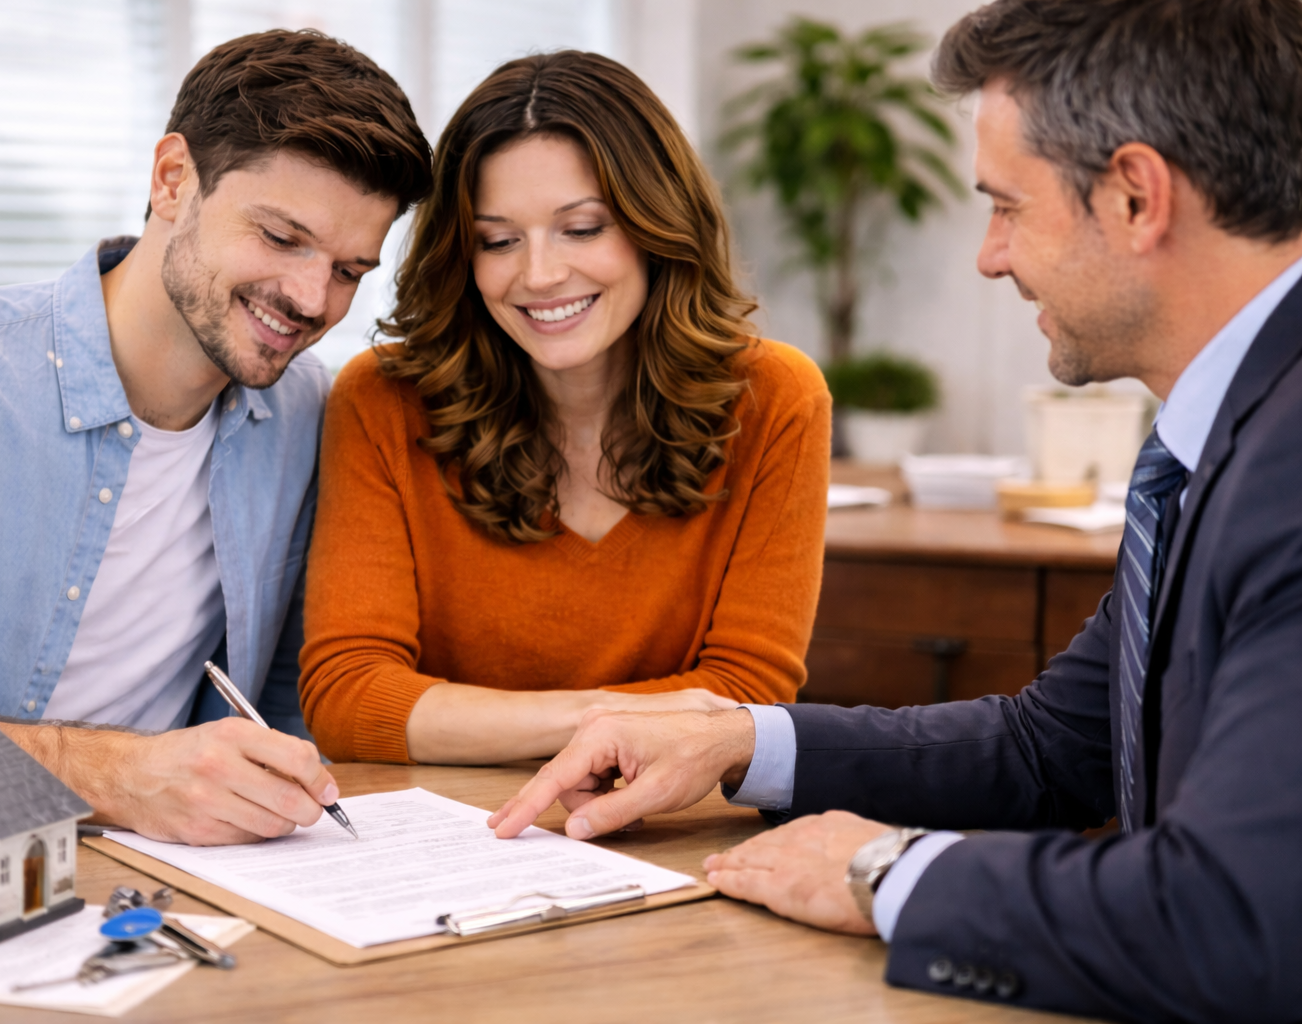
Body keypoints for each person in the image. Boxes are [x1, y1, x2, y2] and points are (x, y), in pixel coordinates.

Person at [490, 1, 1302, 1019]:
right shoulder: (1232, 428)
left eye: (1006, 206)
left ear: (1137, 196)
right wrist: (740, 740)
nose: (989, 257)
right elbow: (1051, 750)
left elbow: (1238, 919)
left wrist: (892, 873)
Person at [0, 29, 432, 845]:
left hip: (158, 880)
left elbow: (291, 698)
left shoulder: (300, 413)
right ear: (173, 180)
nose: (310, 298)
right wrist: (115, 779)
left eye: (349, 271)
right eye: (281, 237)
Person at [297, 51, 831, 766]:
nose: (540, 274)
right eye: (499, 240)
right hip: (448, 839)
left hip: (670, 835)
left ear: (656, 225)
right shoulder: (382, 400)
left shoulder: (777, 399)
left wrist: (472, 719)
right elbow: (351, 700)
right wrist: (616, 716)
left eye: (582, 229)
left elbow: (745, 700)